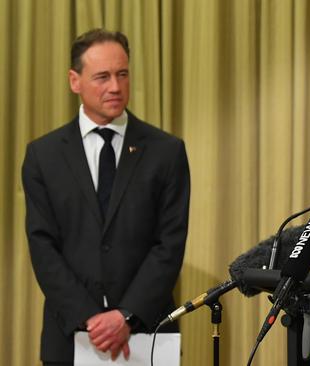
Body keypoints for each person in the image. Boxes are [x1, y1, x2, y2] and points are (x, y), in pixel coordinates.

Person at [22, 29, 190, 365]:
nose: (115, 86)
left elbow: (169, 244)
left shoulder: (166, 151)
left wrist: (125, 316)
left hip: (146, 335)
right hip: (70, 337)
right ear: (75, 81)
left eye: (122, 74)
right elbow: (43, 246)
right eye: (102, 77)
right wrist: (91, 320)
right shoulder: (43, 155)